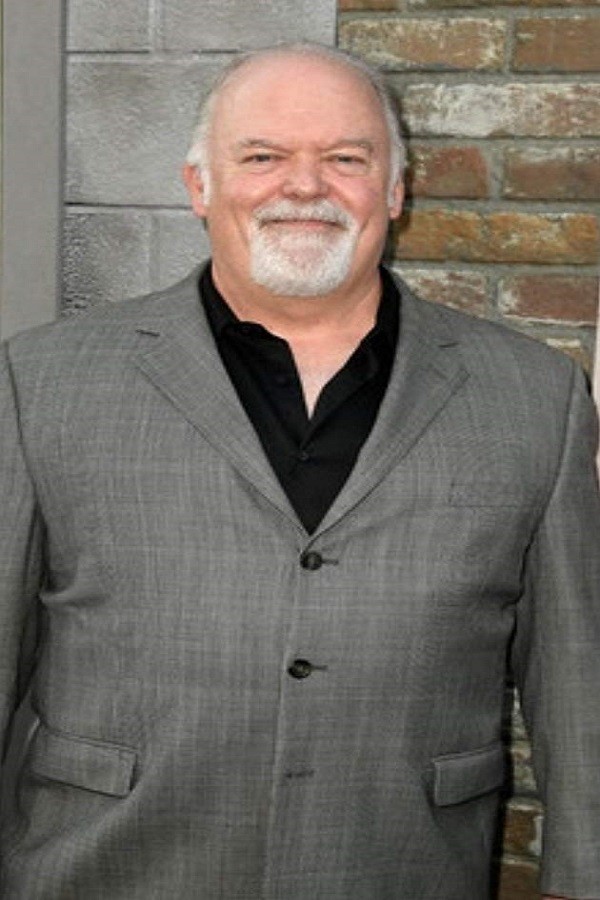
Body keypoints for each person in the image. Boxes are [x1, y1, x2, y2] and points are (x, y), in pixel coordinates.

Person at [0, 42, 599, 900]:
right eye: (262, 157)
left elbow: (579, 686)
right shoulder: (40, 381)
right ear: (199, 185)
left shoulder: (535, 396)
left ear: (395, 190)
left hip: (397, 869)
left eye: (346, 159)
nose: (305, 186)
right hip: (111, 872)